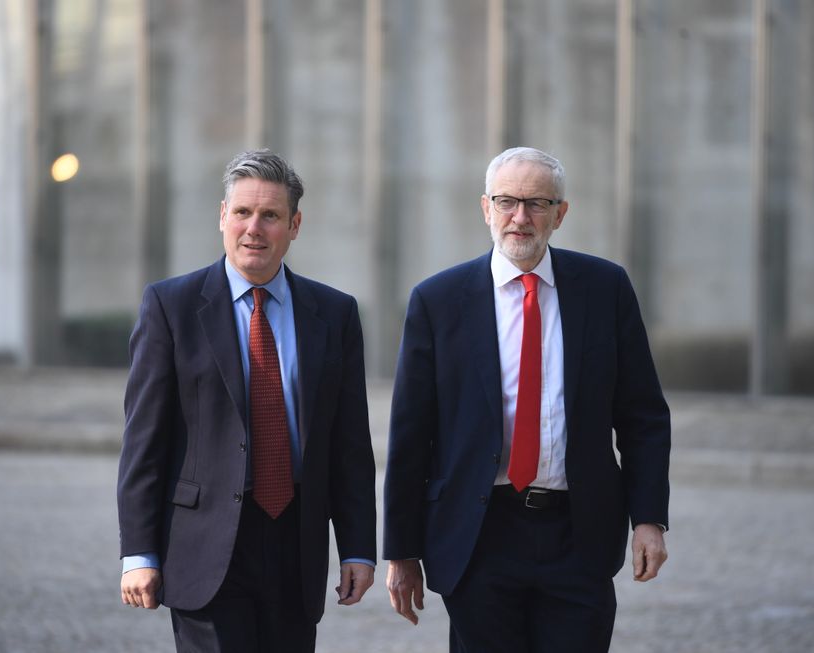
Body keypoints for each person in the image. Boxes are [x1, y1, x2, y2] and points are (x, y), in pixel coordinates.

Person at [383, 146, 670, 652]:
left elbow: (642, 416)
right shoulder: (439, 300)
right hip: (479, 535)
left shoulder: (605, 289)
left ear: (561, 214)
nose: (520, 217)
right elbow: (410, 434)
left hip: (578, 534)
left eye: (537, 203)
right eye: (507, 201)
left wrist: (648, 518)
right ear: (485, 208)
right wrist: (401, 552)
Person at [117, 149, 377, 652]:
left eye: (270, 216)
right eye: (242, 212)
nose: (253, 228)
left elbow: (349, 444)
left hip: (295, 542)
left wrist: (358, 548)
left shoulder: (335, 314)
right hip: (204, 544)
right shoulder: (171, 307)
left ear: (295, 225)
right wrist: (139, 553)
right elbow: (143, 442)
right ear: (222, 217)